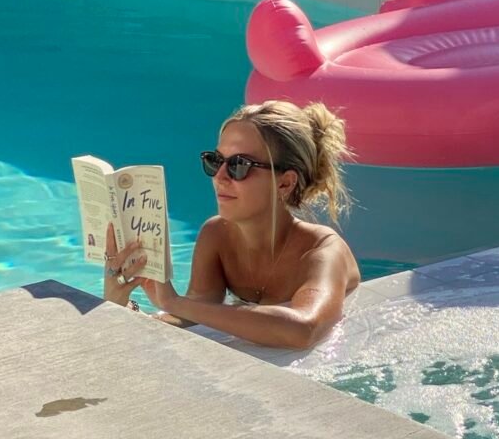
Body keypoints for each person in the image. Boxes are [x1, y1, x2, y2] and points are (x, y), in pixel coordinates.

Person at [102, 100, 361, 349]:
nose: (220, 177)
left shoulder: (323, 251)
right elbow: (196, 313)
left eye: (239, 165)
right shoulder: (217, 235)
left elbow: (305, 329)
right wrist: (123, 306)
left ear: (284, 182)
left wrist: (174, 303)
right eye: (216, 161)